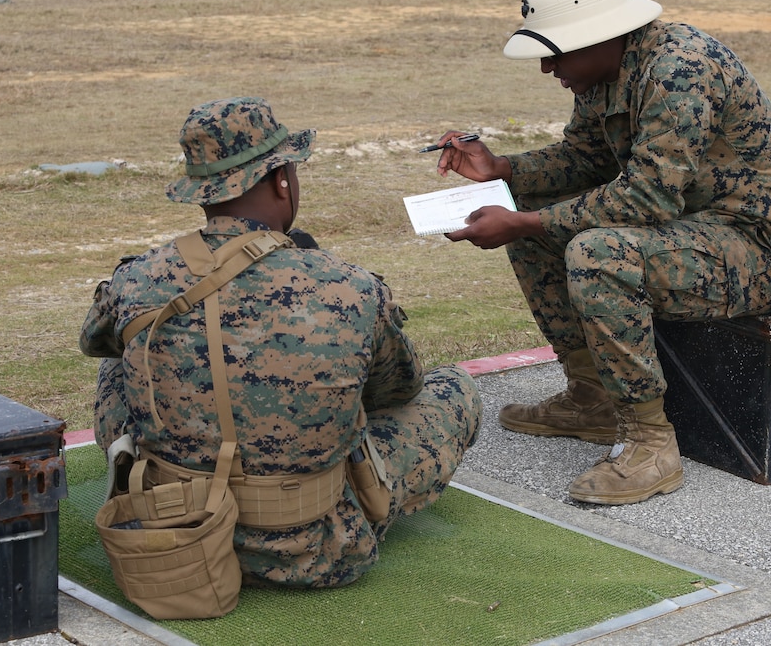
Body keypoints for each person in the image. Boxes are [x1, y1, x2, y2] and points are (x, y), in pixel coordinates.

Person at [434, 0, 771, 506]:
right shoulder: (606, 68)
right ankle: (592, 396)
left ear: (601, 36)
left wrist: (522, 224)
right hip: (695, 232)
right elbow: (583, 158)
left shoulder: (679, 68)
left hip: (763, 249)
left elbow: (648, 196)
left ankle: (649, 443)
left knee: (597, 252)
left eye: (556, 51)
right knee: (531, 203)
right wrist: (502, 170)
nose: (547, 67)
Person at [80, 96, 482, 587]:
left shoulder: (140, 277)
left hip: (172, 533)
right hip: (315, 550)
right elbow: (398, 390)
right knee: (454, 388)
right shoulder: (349, 287)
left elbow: (94, 342)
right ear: (281, 179)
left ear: (202, 190)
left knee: (117, 365)